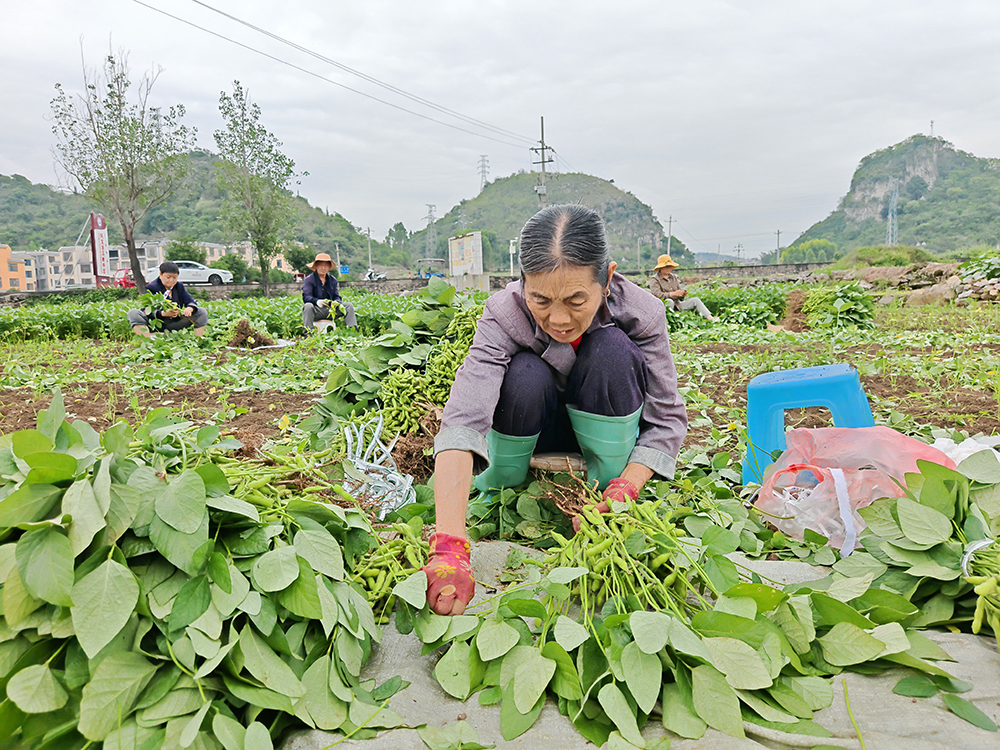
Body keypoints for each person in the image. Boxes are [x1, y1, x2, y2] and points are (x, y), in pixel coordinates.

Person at [423, 205, 688, 616]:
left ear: (608, 279)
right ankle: (506, 484)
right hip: (534, 427)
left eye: (577, 299)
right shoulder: (502, 313)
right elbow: (463, 418)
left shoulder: (644, 311)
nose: (559, 318)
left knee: (613, 351)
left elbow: (667, 417)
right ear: (522, 282)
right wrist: (449, 546)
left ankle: (604, 487)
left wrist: (630, 485)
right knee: (525, 372)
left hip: (603, 416)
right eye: (540, 299)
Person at [127, 261, 208, 338]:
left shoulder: (179, 286)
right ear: (160, 274)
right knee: (133, 313)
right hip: (156, 325)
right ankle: (147, 341)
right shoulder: (151, 288)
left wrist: (189, 308)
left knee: (201, 311)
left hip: (175, 323)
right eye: (168, 277)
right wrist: (163, 313)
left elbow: (190, 300)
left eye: (174, 277)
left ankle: (198, 339)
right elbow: (145, 310)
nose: (171, 280)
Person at [647, 254, 718, 321]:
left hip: (677, 305)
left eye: (670, 266)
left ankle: (710, 318)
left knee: (695, 300)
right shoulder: (654, 279)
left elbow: (679, 294)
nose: (668, 268)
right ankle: (669, 321)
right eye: (666, 266)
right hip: (663, 306)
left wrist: (682, 294)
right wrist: (672, 294)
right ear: (660, 268)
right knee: (669, 302)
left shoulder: (673, 277)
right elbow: (657, 295)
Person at [302, 252, 357, 331]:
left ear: (329, 267)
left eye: (326, 265)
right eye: (321, 265)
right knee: (307, 306)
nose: (323, 268)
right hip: (316, 311)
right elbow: (306, 297)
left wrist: (336, 302)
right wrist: (317, 301)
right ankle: (308, 334)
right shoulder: (309, 280)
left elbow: (336, 296)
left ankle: (354, 332)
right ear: (316, 266)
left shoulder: (332, 280)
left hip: (331, 311)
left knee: (348, 306)